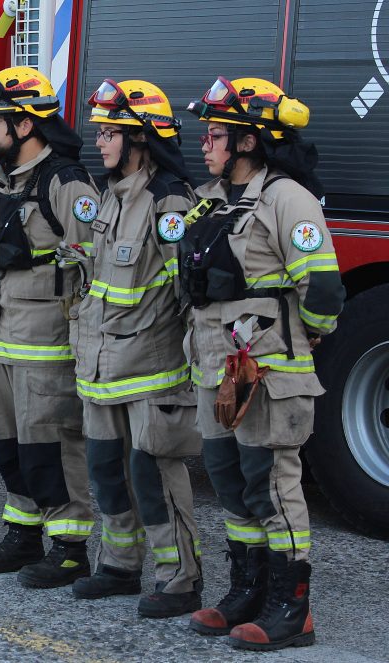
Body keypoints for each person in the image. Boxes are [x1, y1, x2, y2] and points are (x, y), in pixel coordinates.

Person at [183, 77, 344, 651]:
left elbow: (322, 293)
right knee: (230, 483)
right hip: (215, 371)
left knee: (273, 486)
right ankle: (245, 591)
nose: (205, 144)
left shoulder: (288, 200)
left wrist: (302, 345)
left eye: (216, 134)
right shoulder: (213, 198)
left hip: (268, 377)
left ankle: (290, 607)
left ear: (249, 142)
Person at [69, 79, 203, 617]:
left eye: (109, 134)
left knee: (154, 474)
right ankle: (120, 564)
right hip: (102, 367)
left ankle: (180, 577)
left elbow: (188, 290)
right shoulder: (110, 194)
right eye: (100, 132)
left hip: (152, 368)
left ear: (140, 139)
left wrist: (196, 365)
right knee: (104, 467)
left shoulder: (170, 202)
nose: (99, 143)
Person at [0, 67, 97, 588]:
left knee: (52, 449)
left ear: (25, 126)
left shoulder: (66, 183)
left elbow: (91, 268)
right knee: (10, 447)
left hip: (45, 344)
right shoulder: (1, 179)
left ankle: (69, 547)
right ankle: (24, 534)